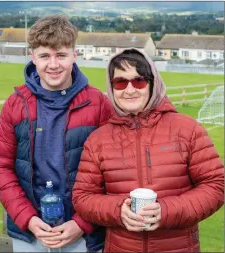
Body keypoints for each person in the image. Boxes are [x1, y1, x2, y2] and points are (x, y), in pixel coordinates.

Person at [72, 48, 224, 252]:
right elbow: (83, 197)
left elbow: (215, 186)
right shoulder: (98, 139)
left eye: (138, 81)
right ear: (111, 87)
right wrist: (118, 211)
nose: (129, 90)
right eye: (120, 82)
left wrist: (166, 211)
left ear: (152, 83)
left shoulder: (188, 130)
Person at [0, 15, 113, 252]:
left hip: (83, 236)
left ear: (74, 55)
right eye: (45, 56)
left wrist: (82, 223)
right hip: (29, 234)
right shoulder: (15, 105)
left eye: (61, 55)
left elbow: (114, 171)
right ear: (33, 57)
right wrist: (27, 219)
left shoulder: (98, 104)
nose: (53, 64)